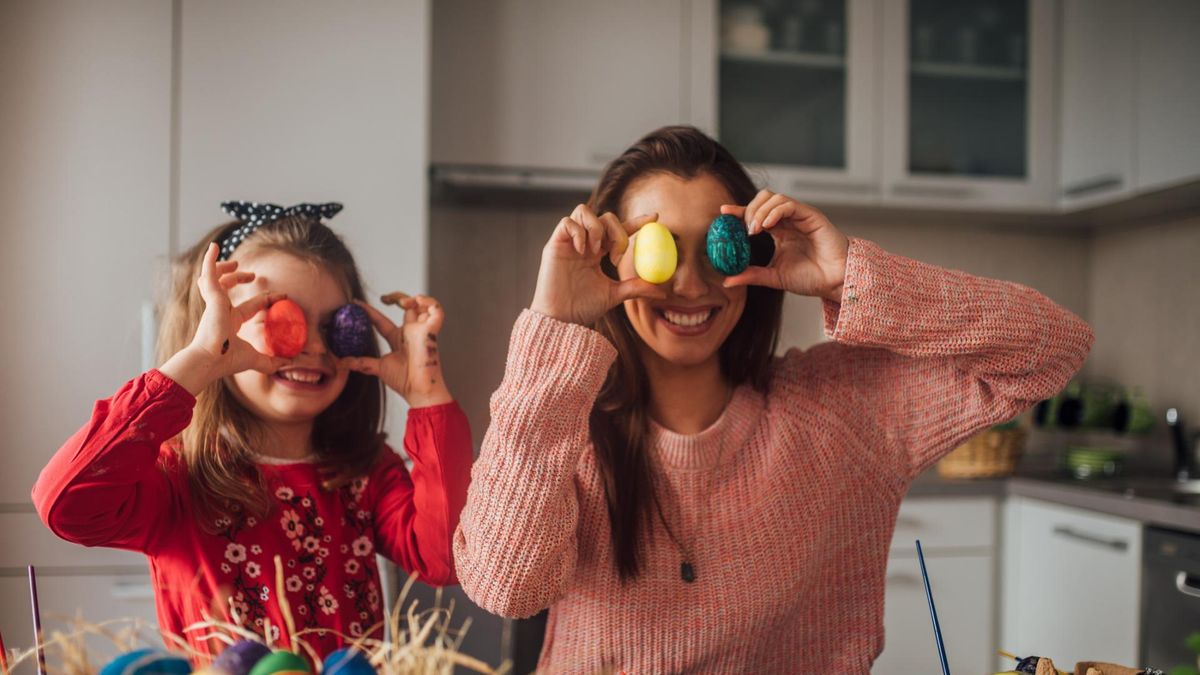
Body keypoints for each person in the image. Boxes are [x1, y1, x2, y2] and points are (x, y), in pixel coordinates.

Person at [453, 127, 1093, 672]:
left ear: (752, 253)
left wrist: (852, 275)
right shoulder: (563, 426)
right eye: (660, 251)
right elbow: (504, 585)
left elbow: (1052, 348)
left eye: (715, 249)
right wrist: (555, 324)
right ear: (612, 263)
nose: (690, 284)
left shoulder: (841, 409)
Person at [33, 202, 472, 660]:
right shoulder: (181, 476)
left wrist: (428, 395)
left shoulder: (363, 472)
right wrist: (199, 361)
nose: (314, 346)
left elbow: (446, 558)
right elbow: (67, 504)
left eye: (336, 326)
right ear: (219, 330)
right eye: (282, 320)